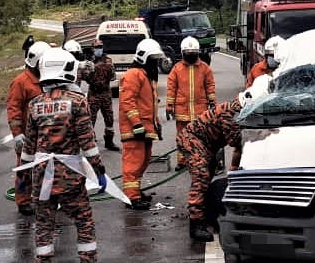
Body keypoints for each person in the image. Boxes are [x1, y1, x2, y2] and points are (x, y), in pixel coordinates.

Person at [22, 47, 113, 263]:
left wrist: (23, 176)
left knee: (43, 224)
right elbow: (88, 144)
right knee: (83, 221)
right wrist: (99, 170)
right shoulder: (77, 102)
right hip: (69, 175)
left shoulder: (34, 104)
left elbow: (29, 146)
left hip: (41, 175)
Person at [177, 75, 271, 241]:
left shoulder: (243, 113)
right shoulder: (232, 112)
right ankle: (196, 223)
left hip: (207, 145)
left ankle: (203, 209)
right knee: (201, 177)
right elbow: (236, 141)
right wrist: (263, 134)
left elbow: (239, 148)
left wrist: (234, 173)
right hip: (193, 139)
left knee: (207, 177)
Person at [118, 38, 164, 211]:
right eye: (153, 59)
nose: (156, 63)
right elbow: (127, 101)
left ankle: (135, 191)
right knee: (133, 163)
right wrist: (136, 124)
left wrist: (156, 123)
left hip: (145, 128)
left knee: (143, 161)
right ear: (144, 57)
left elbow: (149, 104)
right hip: (135, 130)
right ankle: (131, 197)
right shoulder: (133, 75)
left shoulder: (146, 75)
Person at [7, 41, 49, 216]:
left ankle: (47, 198)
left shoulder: (47, 79)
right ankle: (23, 201)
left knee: (48, 167)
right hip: (28, 136)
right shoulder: (21, 82)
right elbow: (14, 108)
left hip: (46, 134)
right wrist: (17, 134)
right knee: (25, 170)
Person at [165, 36, 216, 168]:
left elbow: (210, 86)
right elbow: (171, 88)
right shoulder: (177, 68)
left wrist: (212, 102)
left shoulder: (204, 68)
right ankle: (182, 161)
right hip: (183, 111)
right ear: (183, 53)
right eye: (188, 53)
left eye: (192, 53)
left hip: (200, 110)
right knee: (182, 136)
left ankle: (199, 159)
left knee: (200, 136)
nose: (190, 55)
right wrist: (169, 105)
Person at [83, 39, 120, 152]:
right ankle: (90, 142)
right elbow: (85, 78)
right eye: (96, 47)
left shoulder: (108, 60)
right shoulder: (89, 62)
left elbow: (113, 77)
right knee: (90, 119)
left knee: (109, 118)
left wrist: (106, 69)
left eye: (100, 47)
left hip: (105, 93)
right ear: (93, 49)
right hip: (93, 93)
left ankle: (109, 141)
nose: (98, 49)